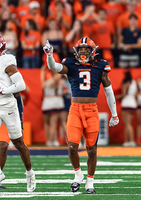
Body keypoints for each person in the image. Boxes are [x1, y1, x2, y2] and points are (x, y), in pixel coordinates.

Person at [43, 37, 119, 194]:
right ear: (76, 51)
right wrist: (50, 55)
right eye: (80, 49)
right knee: (72, 147)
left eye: (86, 49)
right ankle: (78, 174)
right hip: (75, 109)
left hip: (91, 111)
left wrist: (115, 114)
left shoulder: (101, 65)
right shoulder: (70, 64)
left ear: (93, 51)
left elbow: (109, 91)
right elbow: (55, 67)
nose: (83, 52)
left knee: (92, 149)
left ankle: (90, 182)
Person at [0, 33, 36, 192]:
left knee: (18, 143)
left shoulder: (7, 61)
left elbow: (21, 85)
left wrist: (4, 91)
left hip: (8, 105)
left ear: (0, 47)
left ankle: (29, 173)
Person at [115, 71, 137, 147]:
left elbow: (124, 94)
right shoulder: (134, 82)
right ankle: (129, 141)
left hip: (126, 103)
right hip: (133, 103)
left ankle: (130, 141)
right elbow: (136, 94)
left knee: (127, 124)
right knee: (129, 123)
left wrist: (115, 97)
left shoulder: (125, 83)